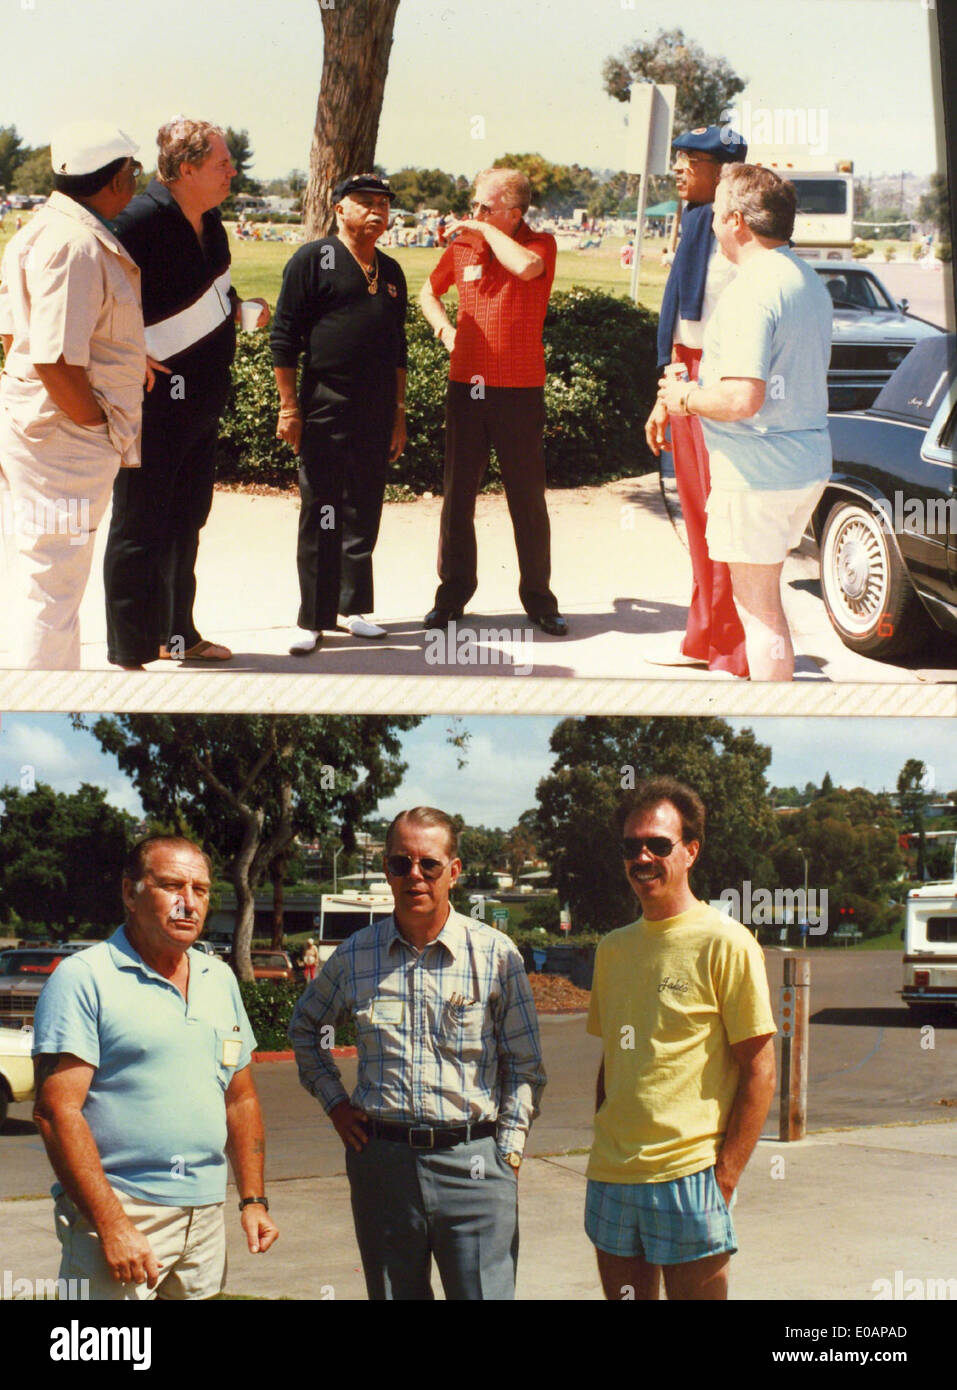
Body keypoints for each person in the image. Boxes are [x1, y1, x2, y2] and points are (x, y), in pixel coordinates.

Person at [288, 805, 546, 1300]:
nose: (414, 876)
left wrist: (508, 1149)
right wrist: (336, 1104)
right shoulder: (356, 955)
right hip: (382, 1166)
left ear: (454, 870)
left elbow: (525, 1064)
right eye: (399, 863)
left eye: (428, 864)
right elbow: (305, 1029)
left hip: (474, 1165)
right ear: (386, 869)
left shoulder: (496, 955)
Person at [31, 835, 279, 1299]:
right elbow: (55, 1112)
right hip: (123, 1211)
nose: (189, 903)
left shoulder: (218, 978)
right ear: (130, 893)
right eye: (171, 886)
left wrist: (253, 1200)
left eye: (201, 890)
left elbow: (240, 1098)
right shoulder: (84, 978)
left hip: (205, 1217)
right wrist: (112, 1226)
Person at [586, 777, 776, 1301]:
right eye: (631, 847)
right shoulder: (613, 949)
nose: (642, 857)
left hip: (691, 1175)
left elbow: (760, 1069)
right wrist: (605, 1133)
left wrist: (726, 1178)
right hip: (614, 1174)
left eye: (657, 844)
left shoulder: (727, 942)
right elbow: (615, 1058)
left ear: (690, 851)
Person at [102, 117, 269, 670]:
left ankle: (178, 634)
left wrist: (243, 310)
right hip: (151, 403)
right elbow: (87, 295)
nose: (232, 171)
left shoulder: (213, 222)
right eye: (222, 163)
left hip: (201, 401)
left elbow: (213, 292)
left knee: (186, 519)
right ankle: (130, 645)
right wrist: (121, 350)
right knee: (139, 521)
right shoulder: (137, 221)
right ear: (186, 168)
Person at [658, 164, 833, 681]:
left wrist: (684, 397)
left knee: (761, 617)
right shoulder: (805, 279)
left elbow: (741, 398)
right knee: (768, 608)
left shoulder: (752, 289)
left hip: (757, 474)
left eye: (715, 214)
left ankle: (776, 727)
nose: (710, 224)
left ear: (736, 220)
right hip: (803, 464)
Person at [0, 121, 146, 670]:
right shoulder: (76, 242)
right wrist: (94, 428)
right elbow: (55, 359)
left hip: (37, 427)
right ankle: (45, 709)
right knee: (53, 591)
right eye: (133, 170)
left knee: (39, 582)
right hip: (62, 436)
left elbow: (16, 334)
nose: (137, 179)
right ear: (112, 180)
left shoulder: (42, 230)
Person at [419, 168, 567, 636]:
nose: (474, 215)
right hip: (467, 387)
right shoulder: (461, 247)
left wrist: (483, 229)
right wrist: (444, 329)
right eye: (475, 206)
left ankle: (539, 600)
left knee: (527, 499)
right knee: (458, 496)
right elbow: (429, 290)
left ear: (514, 213)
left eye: (485, 207)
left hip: (520, 390)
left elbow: (524, 268)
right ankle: (452, 597)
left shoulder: (539, 244)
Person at [271, 173, 407, 657]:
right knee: (322, 508)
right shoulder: (315, 259)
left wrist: (398, 412)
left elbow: (398, 350)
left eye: (384, 205)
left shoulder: (390, 271)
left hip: (375, 408)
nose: (377, 212)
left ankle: (353, 609)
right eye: (365, 203)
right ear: (339, 209)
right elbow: (284, 337)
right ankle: (313, 617)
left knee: (362, 507)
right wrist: (290, 407)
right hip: (325, 402)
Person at [645, 125, 749, 678]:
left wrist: (686, 384)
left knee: (719, 515)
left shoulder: (730, 228)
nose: (679, 169)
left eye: (691, 160)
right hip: (688, 375)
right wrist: (668, 388)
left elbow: (717, 320)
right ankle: (702, 637)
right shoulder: (697, 221)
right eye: (679, 158)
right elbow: (678, 312)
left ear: (722, 170)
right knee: (699, 513)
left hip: (714, 379)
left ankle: (731, 651)